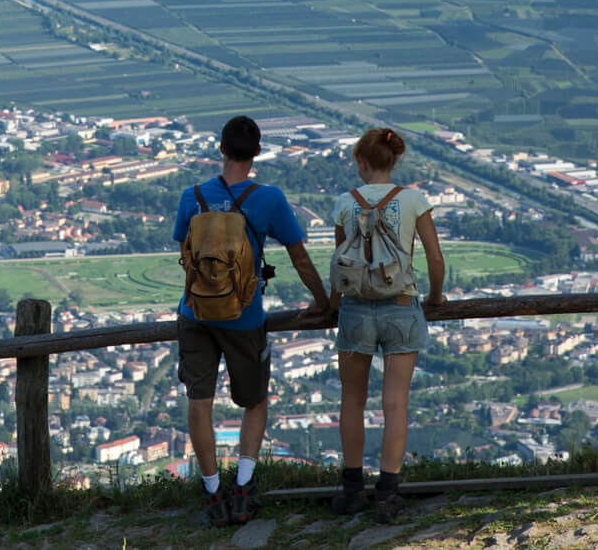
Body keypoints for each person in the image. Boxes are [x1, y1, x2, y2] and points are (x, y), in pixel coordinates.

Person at [172, 114, 331, 527]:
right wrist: (323, 302)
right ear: (257, 152)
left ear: (220, 149)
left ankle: (212, 493)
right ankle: (243, 488)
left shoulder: (193, 196)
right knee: (255, 400)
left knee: (199, 402)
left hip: (195, 314)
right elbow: (299, 255)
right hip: (244, 317)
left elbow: (183, 249)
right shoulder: (269, 198)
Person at [328, 127, 446, 521]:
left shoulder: (346, 203)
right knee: (395, 403)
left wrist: (332, 307)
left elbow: (340, 266)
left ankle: (350, 489)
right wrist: (434, 297)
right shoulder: (413, 199)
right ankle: (388, 492)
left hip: (356, 309)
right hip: (401, 306)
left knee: (352, 400)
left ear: (361, 163)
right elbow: (434, 259)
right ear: (394, 161)